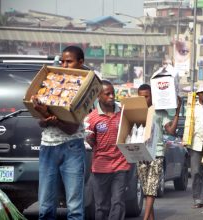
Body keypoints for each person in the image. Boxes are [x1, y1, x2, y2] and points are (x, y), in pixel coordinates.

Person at [32, 46, 86, 219]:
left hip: (72, 148)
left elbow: (72, 128)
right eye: (62, 61)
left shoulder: (85, 88)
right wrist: (44, 117)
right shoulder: (50, 83)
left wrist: (48, 114)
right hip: (47, 147)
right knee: (46, 207)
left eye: (69, 61)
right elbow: (41, 123)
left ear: (80, 62)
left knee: (74, 208)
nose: (64, 64)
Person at [84, 80, 130, 220]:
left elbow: (132, 132)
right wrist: (88, 140)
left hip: (121, 164)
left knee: (118, 202)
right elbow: (89, 142)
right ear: (98, 96)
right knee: (101, 206)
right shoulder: (92, 118)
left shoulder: (123, 113)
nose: (111, 96)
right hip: (100, 167)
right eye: (107, 94)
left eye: (113, 93)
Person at [137, 84, 181, 220]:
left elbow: (171, 131)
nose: (144, 99)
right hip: (141, 153)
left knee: (152, 187)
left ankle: (145, 218)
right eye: (141, 96)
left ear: (152, 96)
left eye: (147, 96)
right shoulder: (135, 110)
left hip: (157, 153)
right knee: (146, 189)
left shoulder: (160, 111)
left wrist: (177, 112)